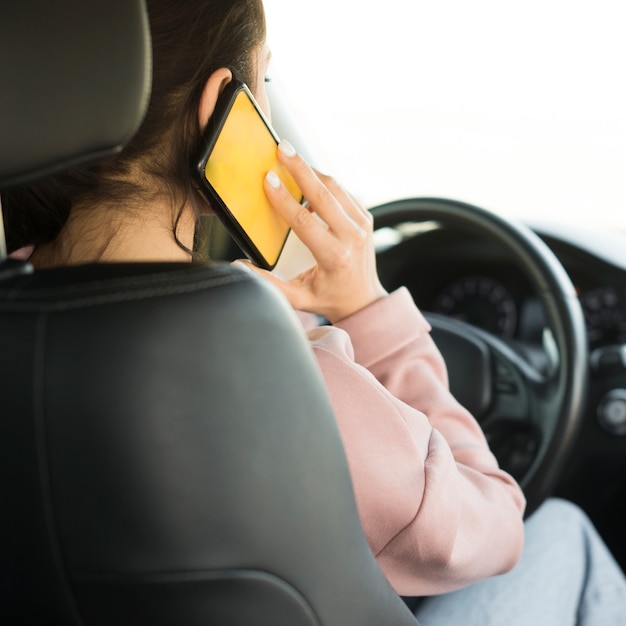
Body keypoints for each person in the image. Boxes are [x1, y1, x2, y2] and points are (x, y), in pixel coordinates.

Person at [3, 1, 626, 622]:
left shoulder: (18, 322)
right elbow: (494, 524)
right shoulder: (293, 384)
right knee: (564, 533)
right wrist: (368, 312)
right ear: (219, 106)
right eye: (263, 82)